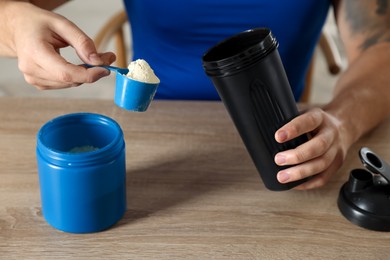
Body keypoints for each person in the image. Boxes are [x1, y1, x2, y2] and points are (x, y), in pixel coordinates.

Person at [0, 0, 389, 190]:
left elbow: (380, 47)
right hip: (154, 136)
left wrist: (342, 120)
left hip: (280, 147)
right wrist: (16, 24)